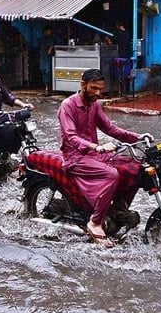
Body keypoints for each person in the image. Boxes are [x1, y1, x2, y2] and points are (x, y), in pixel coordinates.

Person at [58, 69, 151, 248]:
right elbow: (71, 137)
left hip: (94, 154)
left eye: (100, 89)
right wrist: (96, 146)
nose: (98, 93)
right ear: (82, 85)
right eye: (94, 88)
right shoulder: (67, 106)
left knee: (133, 170)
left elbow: (110, 129)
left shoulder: (94, 105)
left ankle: (118, 210)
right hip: (74, 157)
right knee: (111, 174)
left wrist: (137, 137)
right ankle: (95, 222)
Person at [37, 26, 57, 96]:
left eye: (49, 31)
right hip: (43, 58)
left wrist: (51, 48)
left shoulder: (53, 39)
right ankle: (46, 87)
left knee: (48, 73)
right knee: (44, 72)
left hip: (49, 59)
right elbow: (38, 46)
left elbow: (57, 45)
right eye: (47, 31)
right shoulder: (41, 39)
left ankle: (49, 88)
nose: (48, 32)